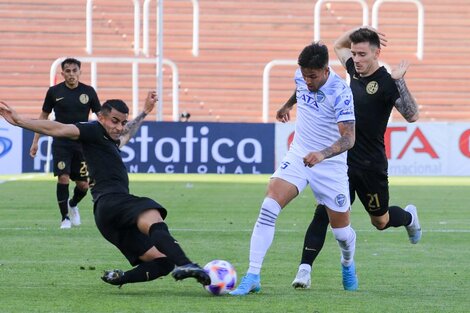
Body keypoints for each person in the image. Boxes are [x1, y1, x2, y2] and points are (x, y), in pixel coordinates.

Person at [0, 91, 210, 288]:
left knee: (163, 262)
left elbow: (125, 135)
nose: (119, 127)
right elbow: (58, 128)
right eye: (115, 121)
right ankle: (186, 263)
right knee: (152, 214)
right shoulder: (92, 130)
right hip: (113, 201)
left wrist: (145, 112)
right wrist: (19, 121)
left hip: (107, 218)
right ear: (101, 117)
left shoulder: (108, 140)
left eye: (122, 122)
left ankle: (120, 277)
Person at [291, 27, 422, 290]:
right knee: (323, 213)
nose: (357, 59)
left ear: (376, 53)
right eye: (355, 54)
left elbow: (412, 115)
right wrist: (358, 29)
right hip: (342, 161)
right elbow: (338, 45)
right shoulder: (353, 70)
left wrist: (400, 81)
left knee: (381, 221)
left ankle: (409, 218)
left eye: (362, 54)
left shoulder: (386, 81)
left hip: (371, 165)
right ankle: (304, 271)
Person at [230, 42, 358, 296]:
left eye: (312, 76)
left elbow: (349, 139)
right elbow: (300, 90)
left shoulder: (341, 93)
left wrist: (322, 154)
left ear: (325, 70)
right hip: (300, 154)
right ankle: (253, 274)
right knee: (269, 206)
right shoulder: (301, 77)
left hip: (330, 165)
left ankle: (347, 263)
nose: (307, 80)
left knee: (342, 233)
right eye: (304, 75)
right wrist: (287, 105)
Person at [30, 58, 101, 229]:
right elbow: (43, 117)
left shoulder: (89, 92)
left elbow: (101, 117)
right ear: (62, 73)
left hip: (82, 143)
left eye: (74, 70)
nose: (71, 74)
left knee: (84, 185)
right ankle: (65, 218)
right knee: (63, 178)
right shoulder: (54, 92)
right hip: (61, 142)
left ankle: (73, 204)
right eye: (67, 71)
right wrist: (35, 141)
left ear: (80, 72)